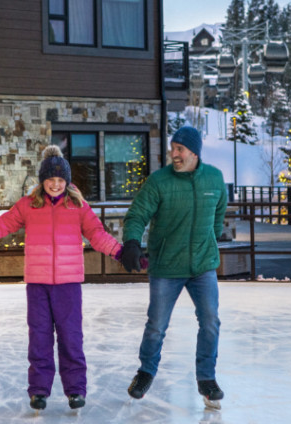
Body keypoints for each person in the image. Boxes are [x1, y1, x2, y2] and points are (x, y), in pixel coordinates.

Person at [0, 145, 125, 411]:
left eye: (60, 180)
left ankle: (75, 390)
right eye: (50, 179)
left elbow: (97, 234)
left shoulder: (77, 206)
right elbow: (2, 224)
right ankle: (39, 390)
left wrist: (120, 251)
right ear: (42, 180)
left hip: (68, 285)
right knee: (39, 338)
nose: (55, 185)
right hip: (38, 284)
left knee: (71, 338)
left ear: (67, 181)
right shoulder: (29, 205)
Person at [120, 125, 228, 409]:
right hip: (166, 266)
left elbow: (218, 218)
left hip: (203, 265)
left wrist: (208, 242)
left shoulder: (215, 179)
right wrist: (131, 241)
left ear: (194, 152)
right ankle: (146, 372)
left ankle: (207, 378)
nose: (174, 154)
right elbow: (137, 214)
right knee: (156, 325)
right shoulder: (159, 181)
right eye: (172, 148)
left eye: (179, 149)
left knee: (210, 322)